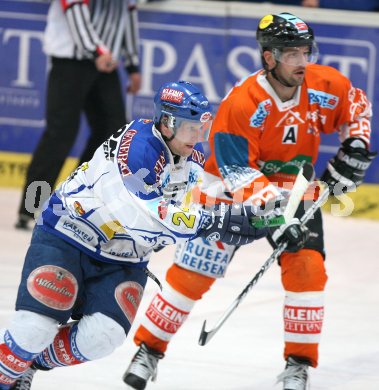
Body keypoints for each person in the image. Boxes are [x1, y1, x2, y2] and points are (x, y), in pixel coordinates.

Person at [122, 13, 376, 390]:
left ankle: (297, 365)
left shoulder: (324, 84)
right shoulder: (242, 103)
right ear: (269, 57)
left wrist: (355, 143)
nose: (302, 62)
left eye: (305, 52)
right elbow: (237, 172)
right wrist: (279, 217)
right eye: (292, 54)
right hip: (227, 191)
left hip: (295, 188)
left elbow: (356, 107)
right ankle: (149, 350)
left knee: (307, 270)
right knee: (191, 277)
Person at [0, 80, 270, 390]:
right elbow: (144, 218)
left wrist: (258, 215)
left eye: (202, 127)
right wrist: (218, 220)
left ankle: (26, 363)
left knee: (104, 336)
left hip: (125, 257)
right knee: (34, 328)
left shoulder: (191, 160)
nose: (198, 136)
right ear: (167, 123)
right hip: (68, 235)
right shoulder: (138, 148)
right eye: (190, 128)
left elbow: (199, 207)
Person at [16, 0, 142, 230]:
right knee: (60, 133)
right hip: (70, 61)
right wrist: (97, 50)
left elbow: (128, 12)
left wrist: (133, 65)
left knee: (112, 135)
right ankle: (32, 207)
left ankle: (76, 200)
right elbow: (74, 7)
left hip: (106, 64)